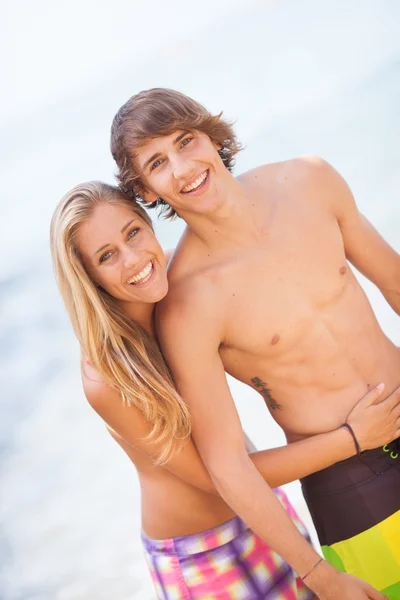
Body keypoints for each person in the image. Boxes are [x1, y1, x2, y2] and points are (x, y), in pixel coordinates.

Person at [110, 88, 400, 599]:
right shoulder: (186, 305)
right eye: (158, 162)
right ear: (147, 191)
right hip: (352, 484)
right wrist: (320, 575)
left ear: (210, 136)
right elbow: (226, 463)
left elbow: (395, 283)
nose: (183, 167)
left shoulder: (309, 180)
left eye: (186, 141)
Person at [50, 182, 399, 599]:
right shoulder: (108, 375)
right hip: (202, 555)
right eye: (107, 257)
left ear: (148, 222)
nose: (134, 260)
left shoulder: (187, 289)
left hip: (266, 516)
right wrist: (353, 439)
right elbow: (218, 478)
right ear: (87, 277)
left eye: (133, 233)